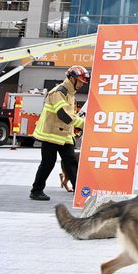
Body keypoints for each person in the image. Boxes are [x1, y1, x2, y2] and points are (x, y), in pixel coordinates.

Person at [29, 65, 89, 201]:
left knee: (71, 161)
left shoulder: (70, 93)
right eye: (80, 81)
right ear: (71, 79)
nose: (81, 84)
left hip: (63, 135)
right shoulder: (58, 92)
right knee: (48, 163)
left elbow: (69, 117)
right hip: (50, 135)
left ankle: (78, 191)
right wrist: (86, 124)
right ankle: (36, 191)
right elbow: (64, 115)